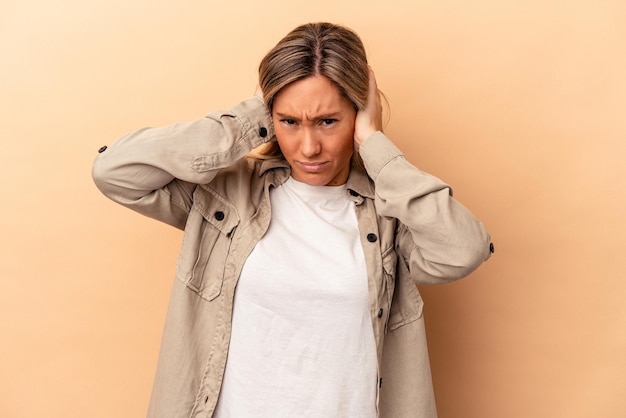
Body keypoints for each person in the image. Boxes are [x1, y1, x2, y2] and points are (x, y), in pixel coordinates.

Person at [92, 22, 493, 418]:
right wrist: (258, 115)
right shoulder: (226, 196)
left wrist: (375, 145)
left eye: (328, 121)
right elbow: (115, 172)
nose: (309, 147)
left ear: (358, 115)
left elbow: (463, 250)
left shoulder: (388, 213)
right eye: (289, 122)